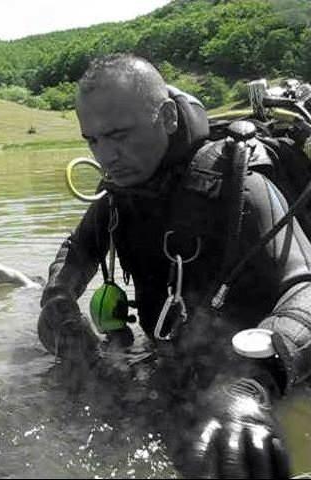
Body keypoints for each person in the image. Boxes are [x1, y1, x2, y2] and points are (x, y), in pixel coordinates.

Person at [37, 54, 311, 478]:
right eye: (92, 140)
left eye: (119, 135)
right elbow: (70, 262)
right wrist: (64, 320)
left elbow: (306, 288)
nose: (106, 155)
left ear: (165, 117)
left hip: (259, 385)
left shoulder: (239, 181)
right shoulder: (117, 196)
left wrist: (251, 384)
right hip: (173, 368)